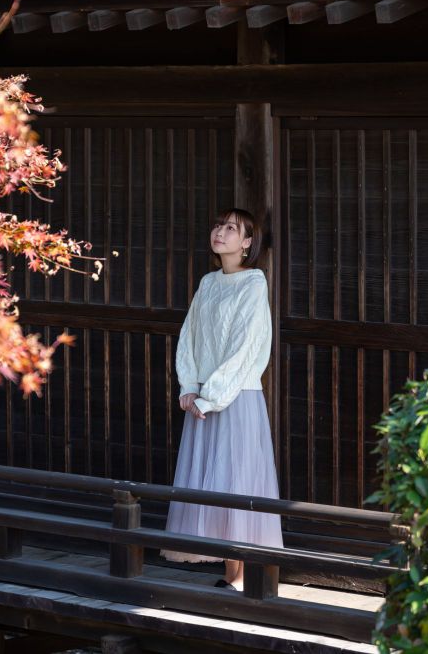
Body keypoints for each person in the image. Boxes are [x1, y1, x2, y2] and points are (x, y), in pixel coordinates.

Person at [161, 207, 283, 591]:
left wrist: (212, 393)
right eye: (219, 225)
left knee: (238, 482)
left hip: (237, 398)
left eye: (232, 229)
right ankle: (232, 576)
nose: (221, 232)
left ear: (247, 242)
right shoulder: (209, 283)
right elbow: (190, 338)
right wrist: (190, 386)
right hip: (204, 401)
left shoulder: (254, 283)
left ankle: (246, 577)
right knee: (214, 486)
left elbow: (247, 347)